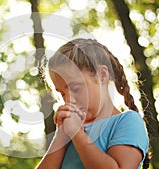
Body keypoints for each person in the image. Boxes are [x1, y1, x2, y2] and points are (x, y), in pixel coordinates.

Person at [36, 38, 150, 169]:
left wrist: (77, 134)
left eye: (76, 88)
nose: (68, 100)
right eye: (62, 93)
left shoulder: (127, 121)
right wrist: (60, 137)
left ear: (102, 75)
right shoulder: (67, 133)